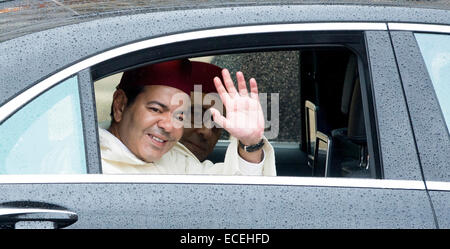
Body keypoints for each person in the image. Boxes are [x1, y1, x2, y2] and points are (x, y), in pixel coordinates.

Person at [99, 59, 276, 176]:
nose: (168, 126)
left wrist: (250, 142)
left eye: (180, 116)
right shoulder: (84, 165)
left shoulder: (178, 163)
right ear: (120, 105)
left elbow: (236, 193)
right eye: (156, 109)